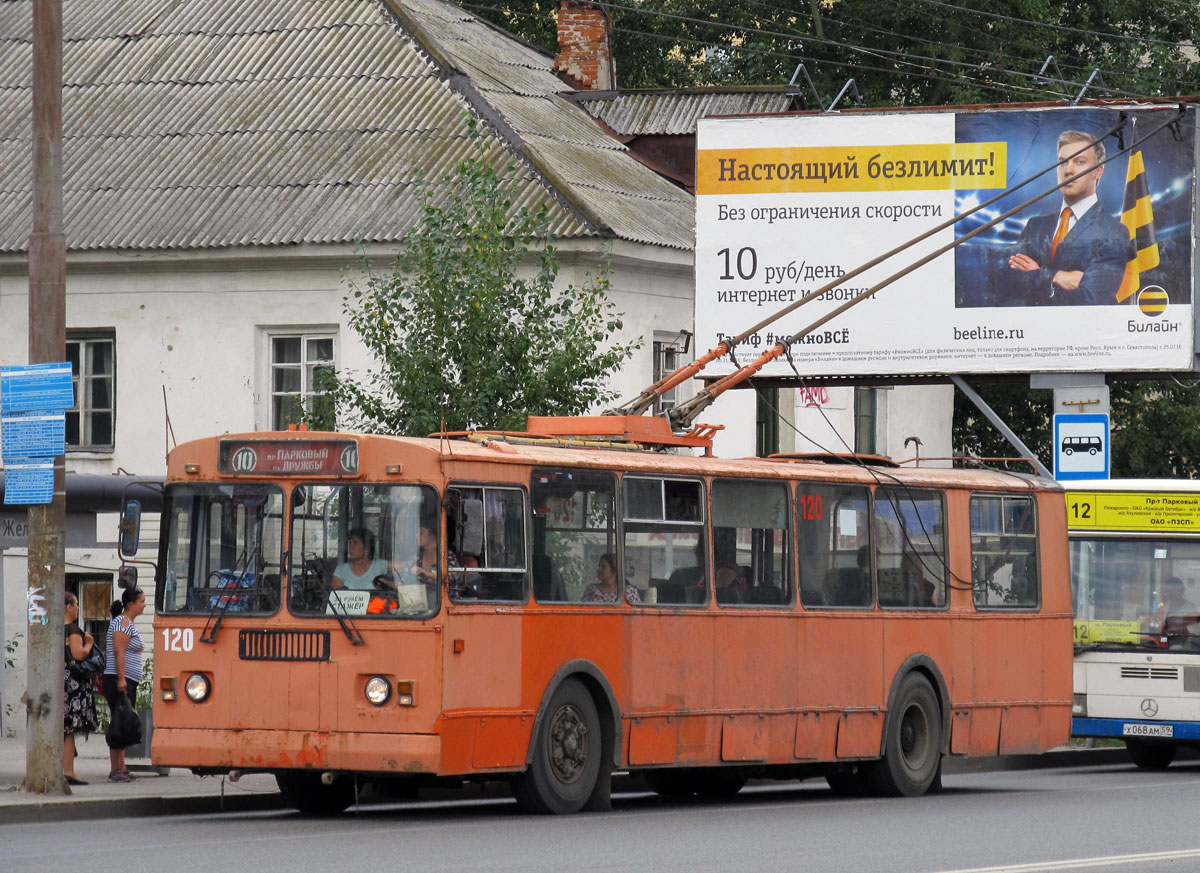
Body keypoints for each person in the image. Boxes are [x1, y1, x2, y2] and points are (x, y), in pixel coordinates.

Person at [1005, 130, 1135, 306]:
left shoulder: (1114, 232)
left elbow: (1091, 299)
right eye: (1062, 163)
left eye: (1079, 162)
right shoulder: (1035, 226)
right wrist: (1057, 277)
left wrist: (1036, 274)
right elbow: (1006, 281)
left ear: (1098, 171)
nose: (1068, 170)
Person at [102, 586, 147, 783]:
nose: (144, 605)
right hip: (119, 679)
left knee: (124, 720)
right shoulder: (122, 623)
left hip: (127, 679)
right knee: (119, 721)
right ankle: (115, 768)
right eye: (142, 601)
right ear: (131, 604)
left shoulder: (127, 623)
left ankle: (122, 767)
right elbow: (119, 652)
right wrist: (121, 679)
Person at [63, 592, 98, 786]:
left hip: (61, 681)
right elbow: (78, 654)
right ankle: (69, 770)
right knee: (69, 729)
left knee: (62, 728)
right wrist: (89, 644)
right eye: (75, 604)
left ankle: (64, 768)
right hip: (73, 685)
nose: (77, 608)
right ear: (68, 607)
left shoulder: (57, 628)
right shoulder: (73, 629)